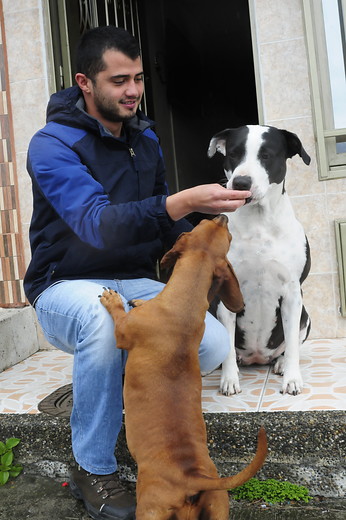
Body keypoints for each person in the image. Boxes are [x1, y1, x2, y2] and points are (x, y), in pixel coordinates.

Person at [24, 26, 250, 520]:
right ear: (85, 82)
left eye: (139, 79)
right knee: (106, 324)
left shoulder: (143, 137)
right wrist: (180, 202)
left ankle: (104, 381)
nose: (132, 91)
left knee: (210, 344)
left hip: (133, 279)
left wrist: (198, 245)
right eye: (119, 80)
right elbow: (97, 225)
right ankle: (93, 466)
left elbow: (164, 227)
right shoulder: (52, 146)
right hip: (66, 283)